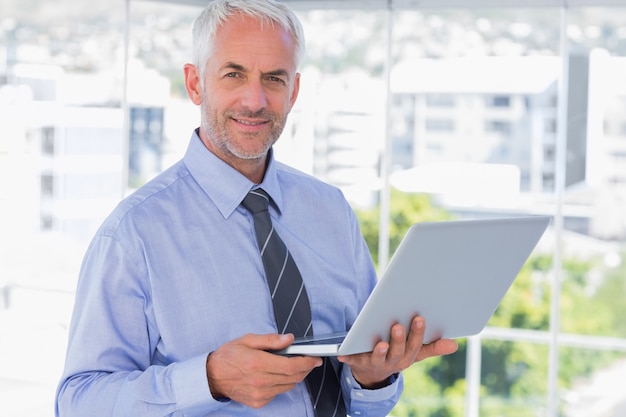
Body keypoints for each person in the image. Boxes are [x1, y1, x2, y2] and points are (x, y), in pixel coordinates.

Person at [55, 1, 458, 416]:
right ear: (195, 84)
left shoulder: (331, 210)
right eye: (234, 74)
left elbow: (364, 398)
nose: (255, 100)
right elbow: (77, 402)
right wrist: (209, 379)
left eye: (273, 78)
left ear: (294, 91)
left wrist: (374, 376)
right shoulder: (132, 234)